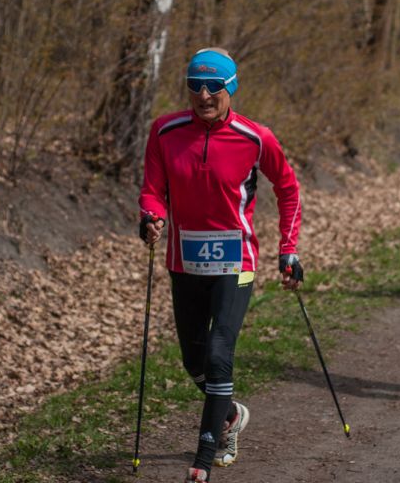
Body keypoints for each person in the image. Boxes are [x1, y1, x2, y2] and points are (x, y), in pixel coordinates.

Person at [138, 47, 304, 483]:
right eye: (195, 85)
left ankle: (204, 457)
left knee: (218, 355)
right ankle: (228, 414)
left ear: (231, 88)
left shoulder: (255, 137)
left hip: (236, 261)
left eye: (214, 86)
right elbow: (153, 190)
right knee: (192, 361)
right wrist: (151, 216)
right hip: (184, 261)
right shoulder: (164, 131)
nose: (204, 94)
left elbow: (288, 189)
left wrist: (289, 249)